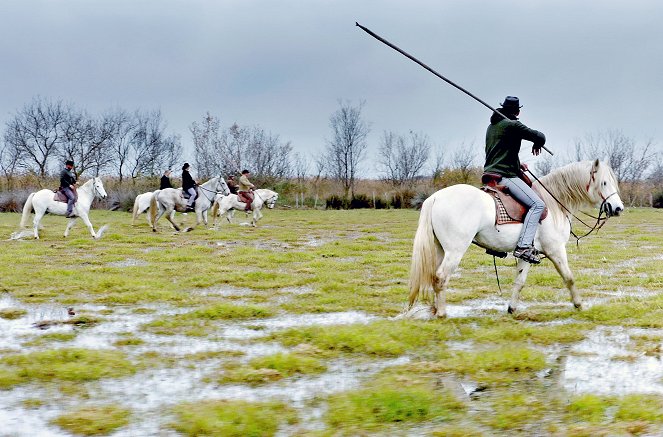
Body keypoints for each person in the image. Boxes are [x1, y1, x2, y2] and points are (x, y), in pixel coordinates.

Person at [484, 96, 546, 264]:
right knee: (538, 205)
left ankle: (495, 244)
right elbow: (539, 135)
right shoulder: (512, 125)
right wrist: (538, 143)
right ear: (517, 111)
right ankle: (524, 246)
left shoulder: (492, 127)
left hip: (490, 175)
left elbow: (502, 153)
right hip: (505, 176)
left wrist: (518, 165)